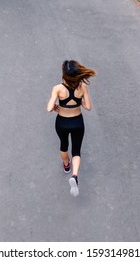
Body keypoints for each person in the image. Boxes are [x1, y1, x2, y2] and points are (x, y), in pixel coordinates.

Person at [46, 60, 96, 197]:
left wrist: (56, 106)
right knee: (76, 151)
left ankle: (66, 166)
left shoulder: (57, 88)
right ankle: (74, 175)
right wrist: (78, 101)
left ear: (64, 75)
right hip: (77, 122)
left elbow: (49, 108)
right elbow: (88, 107)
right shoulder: (83, 87)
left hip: (62, 122)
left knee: (64, 145)